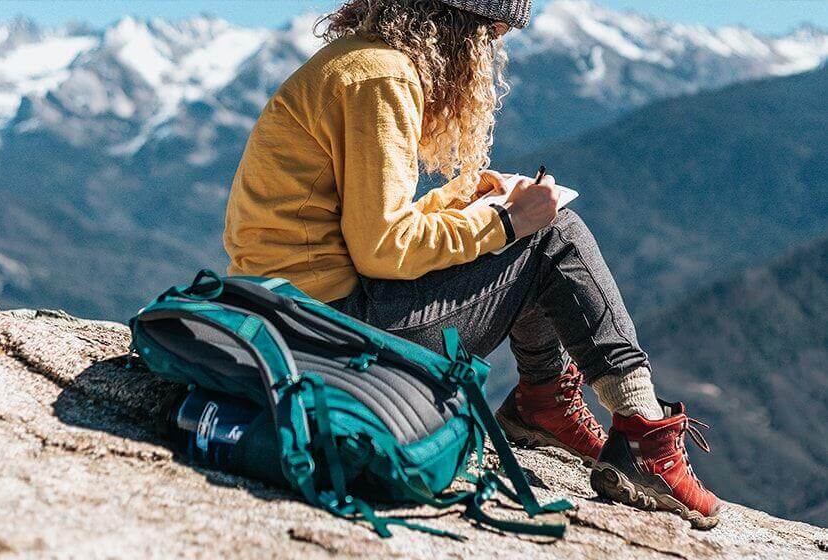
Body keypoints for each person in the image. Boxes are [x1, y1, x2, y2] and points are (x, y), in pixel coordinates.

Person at [223, 0, 720, 529]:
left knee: (529, 234)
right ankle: (642, 435)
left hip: (288, 314)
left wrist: (461, 200)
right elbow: (382, 248)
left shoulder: (357, 63)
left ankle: (544, 404)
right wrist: (505, 224)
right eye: (493, 37)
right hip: (329, 332)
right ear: (461, 29)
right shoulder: (383, 80)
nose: (492, 53)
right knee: (554, 234)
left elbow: (358, 225)